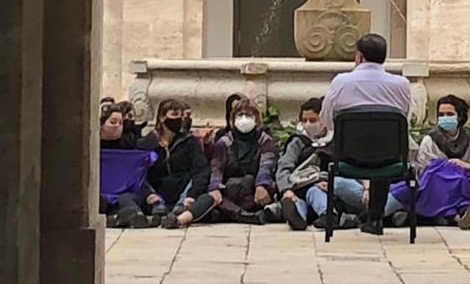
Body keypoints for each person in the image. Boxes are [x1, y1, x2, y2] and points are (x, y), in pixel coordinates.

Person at [320, 33, 412, 236]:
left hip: (348, 157)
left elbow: (327, 120)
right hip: (390, 158)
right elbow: (405, 119)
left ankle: (360, 216)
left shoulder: (342, 81)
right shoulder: (401, 84)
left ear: (359, 57)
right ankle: (375, 217)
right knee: (382, 147)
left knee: (371, 148)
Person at [409, 95, 470, 229]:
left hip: (464, 188)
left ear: (459, 117)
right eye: (441, 115)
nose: (445, 118)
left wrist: (468, 167)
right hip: (437, 190)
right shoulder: (430, 141)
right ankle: (465, 217)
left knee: (468, 182)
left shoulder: (469, 140)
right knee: (444, 170)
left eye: (449, 114)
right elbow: (422, 174)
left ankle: (465, 216)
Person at [277, 97, 354, 230]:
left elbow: (348, 166)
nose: (308, 124)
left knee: (314, 192)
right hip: (300, 188)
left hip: (330, 190)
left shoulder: (338, 141)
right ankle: (297, 217)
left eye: (312, 120)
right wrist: (286, 190)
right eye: (304, 120)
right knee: (298, 202)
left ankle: (329, 215)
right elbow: (284, 167)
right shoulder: (297, 142)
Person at [136, 99, 213, 229]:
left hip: (184, 194)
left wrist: (191, 195)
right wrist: (149, 194)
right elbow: (139, 174)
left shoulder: (190, 142)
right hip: (157, 196)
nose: (179, 119)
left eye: (182, 116)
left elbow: (201, 170)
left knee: (208, 199)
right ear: (162, 117)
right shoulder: (146, 143)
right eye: (175, 114)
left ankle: (178, 219)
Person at [207, 95, 279, 225]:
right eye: (239, 115)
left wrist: (261, 185)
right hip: (231, 188)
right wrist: (215, 187)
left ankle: (235, 213)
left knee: (266, 188)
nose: (244, 119)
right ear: (233, 119)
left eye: (248, 115)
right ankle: (241, 214)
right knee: (213, 198)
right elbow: (217, 167)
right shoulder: (224, 142)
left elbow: (266, 166)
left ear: (256, 120)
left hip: (255, 188)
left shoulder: (265, 141)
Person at [99, 103, 163, 228]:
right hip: (101, 194)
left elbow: (136, 174)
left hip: (127, 193)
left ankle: (136, 217)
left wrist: (150, 193)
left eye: (121, 123)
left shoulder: (131, 145)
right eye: (113, 122)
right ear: (102, 125)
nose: (117, 126)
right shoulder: (90, 147)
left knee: (127, 200)